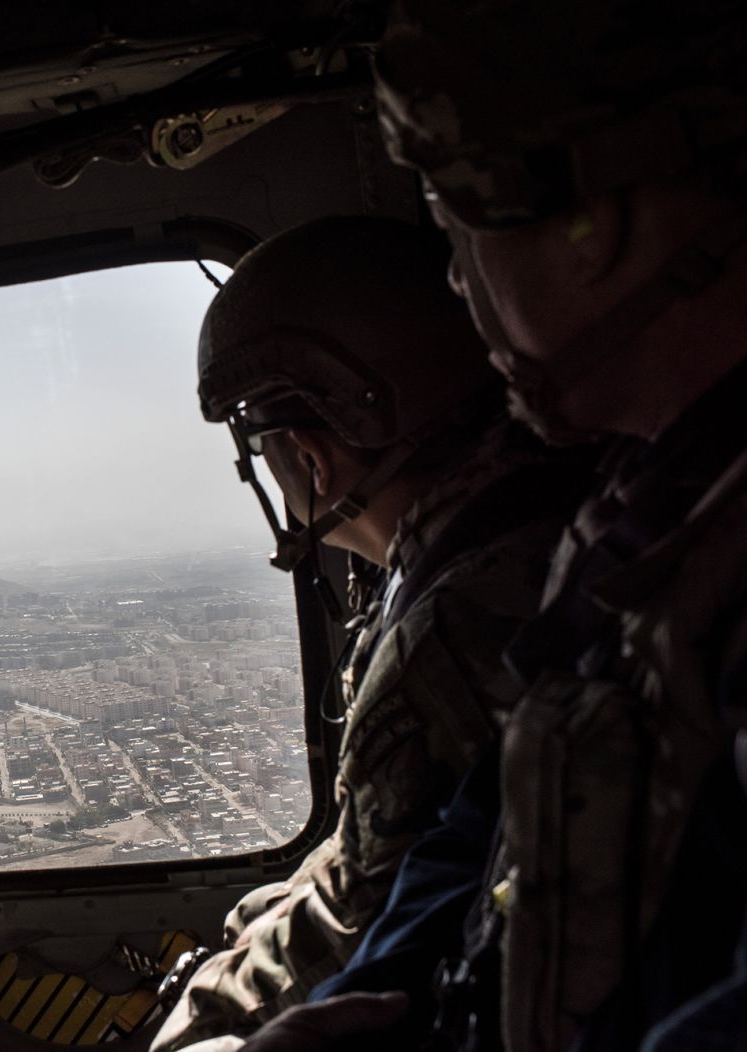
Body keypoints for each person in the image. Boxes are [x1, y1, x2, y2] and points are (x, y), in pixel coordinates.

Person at [223, 0, 747, 1047]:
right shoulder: (636, 519)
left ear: (609, 230)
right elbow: (482, 833)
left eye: (460, 223)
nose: (458, 282)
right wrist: (370, 1005)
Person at [151, 217, 591, 1052]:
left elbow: (366, 926)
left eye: (263, 443)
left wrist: (206, 1003)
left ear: (313, 460)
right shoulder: (541, 531)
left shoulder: (450, 631)